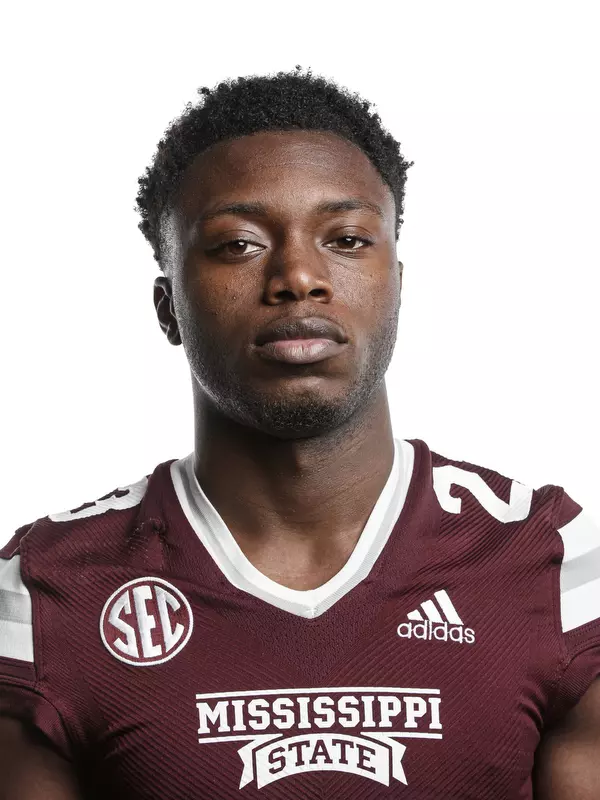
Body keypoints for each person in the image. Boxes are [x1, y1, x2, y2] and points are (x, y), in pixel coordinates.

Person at [0, 66, 598, 800]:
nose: (299, 277)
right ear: (167, 309)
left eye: (345, 239)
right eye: (239, 245)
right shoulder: (49, 591)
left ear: (397, 285)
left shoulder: (554, 561)